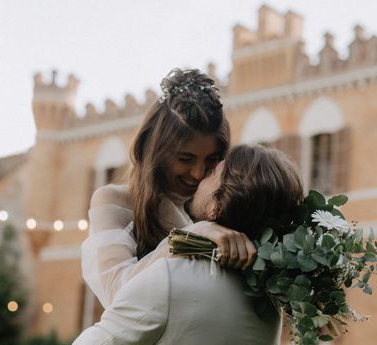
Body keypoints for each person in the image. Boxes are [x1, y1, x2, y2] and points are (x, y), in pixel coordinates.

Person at [51, 144, 304, 345]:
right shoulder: (270, 296)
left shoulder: (168, 279)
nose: (199, 177)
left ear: (218, 203)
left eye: (213, 172)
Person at [82, 68, 256, 310]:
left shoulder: (219, 210)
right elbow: (117, 294)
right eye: (185, 159)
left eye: (212, 159)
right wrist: (192, 239)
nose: (198, 173)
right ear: (156, 152)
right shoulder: (115, 200)